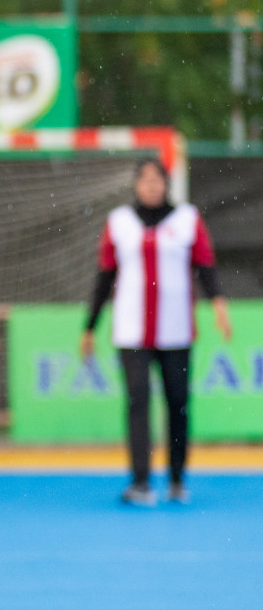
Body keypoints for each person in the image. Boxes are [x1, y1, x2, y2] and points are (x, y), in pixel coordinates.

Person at [82, 158, 230, 506]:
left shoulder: (188, 219)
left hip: (176, 330)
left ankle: (177, 478)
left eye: (157, 179)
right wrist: (89, 326)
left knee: (177, 402)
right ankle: (140, 481)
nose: (151, 185)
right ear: (135, 184)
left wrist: (219, 304)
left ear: (167, 183)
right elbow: (104, 277)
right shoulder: (119, 222)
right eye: (144, 179)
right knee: (137, 401)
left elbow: (206, 266)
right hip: (132, 332)